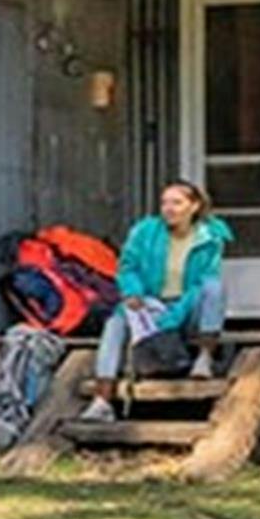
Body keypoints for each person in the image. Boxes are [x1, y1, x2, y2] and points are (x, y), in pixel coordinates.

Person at [78, 180, 231, 423]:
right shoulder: (145, 232)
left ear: (194, 206)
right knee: (114, 325)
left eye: (177, 203)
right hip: (147, 304)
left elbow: (202, 281)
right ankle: (102, 401)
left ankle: (204, 358)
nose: (169, 208)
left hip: (188, 308)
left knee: (214, 288)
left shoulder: (209, 238)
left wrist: (174, 315)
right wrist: (133, 293)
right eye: (165, 202)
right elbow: (127, 267)